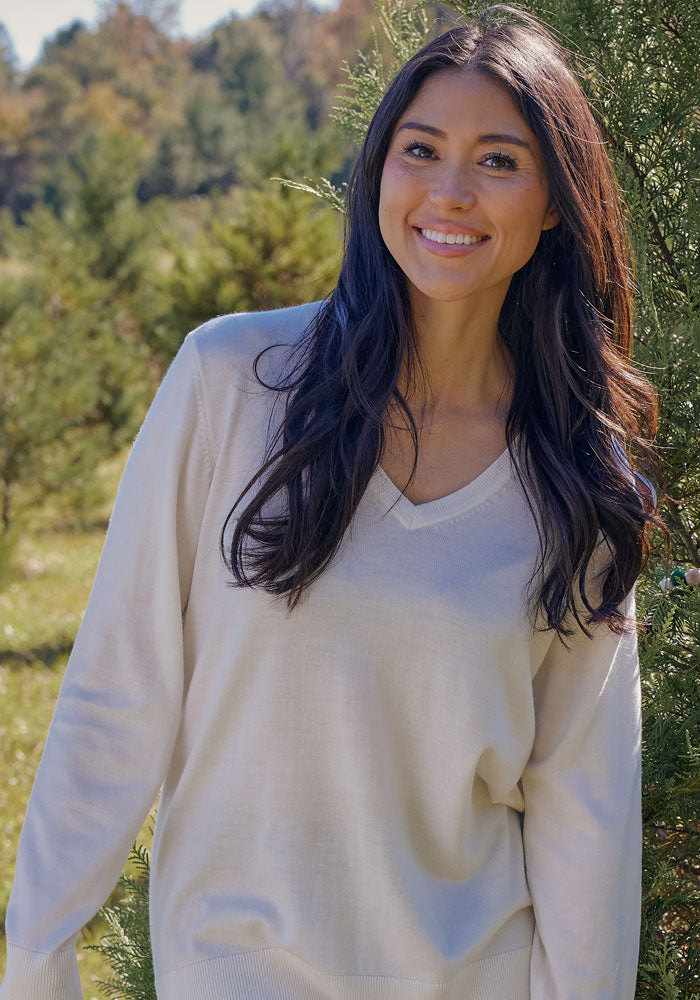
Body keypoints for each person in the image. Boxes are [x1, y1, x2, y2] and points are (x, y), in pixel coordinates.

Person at [0, 6, 662, 999]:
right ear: (378, 173)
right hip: (233, 968)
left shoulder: (576, 475)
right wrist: (37, 956)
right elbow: (115, 691)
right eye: (420, 149)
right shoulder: (231, 380)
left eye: (497, 160)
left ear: (555, 202)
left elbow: (585, 804)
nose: (448, 191)